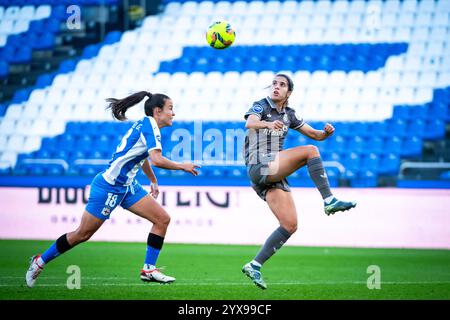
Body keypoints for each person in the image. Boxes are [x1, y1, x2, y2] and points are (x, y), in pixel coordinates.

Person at [26, 91, 200, 288]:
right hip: (109, 186)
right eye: (170, 108)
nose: (173, 113)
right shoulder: (150, 126)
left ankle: (149, 269)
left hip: (127, 186)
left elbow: (141, 157)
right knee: (82, 234)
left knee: (162, 219)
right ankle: (39, 261)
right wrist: (182, 166)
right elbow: (157, 160)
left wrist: (152, 180)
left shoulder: (146, 125)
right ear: (157, 111)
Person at [241, 74, 357, 290]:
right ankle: (329, 199)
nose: (276, 87)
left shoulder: (289, 115)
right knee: (310, 152)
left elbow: (314, 135)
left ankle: (254, 265)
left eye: (282, 85)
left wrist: (325, 133)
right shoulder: (261, 106)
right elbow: (250, 122)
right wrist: (268, 122)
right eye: (274, 84)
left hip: (272, 173)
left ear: (289, 92)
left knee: (290, 224)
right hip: (260, 164)